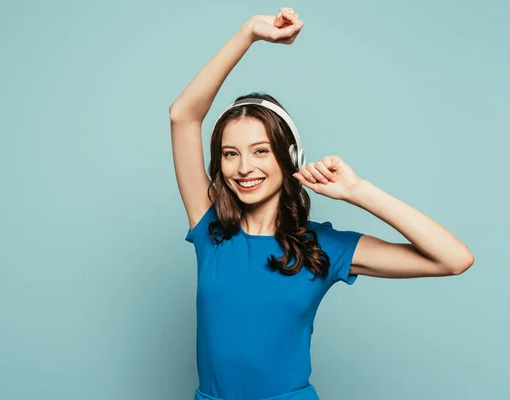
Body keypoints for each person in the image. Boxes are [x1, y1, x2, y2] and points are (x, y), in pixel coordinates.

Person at [168, 7, 474, 400]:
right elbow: (183, 116)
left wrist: (358, 190)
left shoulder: (322, 248)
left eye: (261, 151)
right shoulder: (210, 228)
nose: (245, 167)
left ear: (288, 157)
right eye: (230, 154)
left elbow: (454, 259)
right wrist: (248, 33)